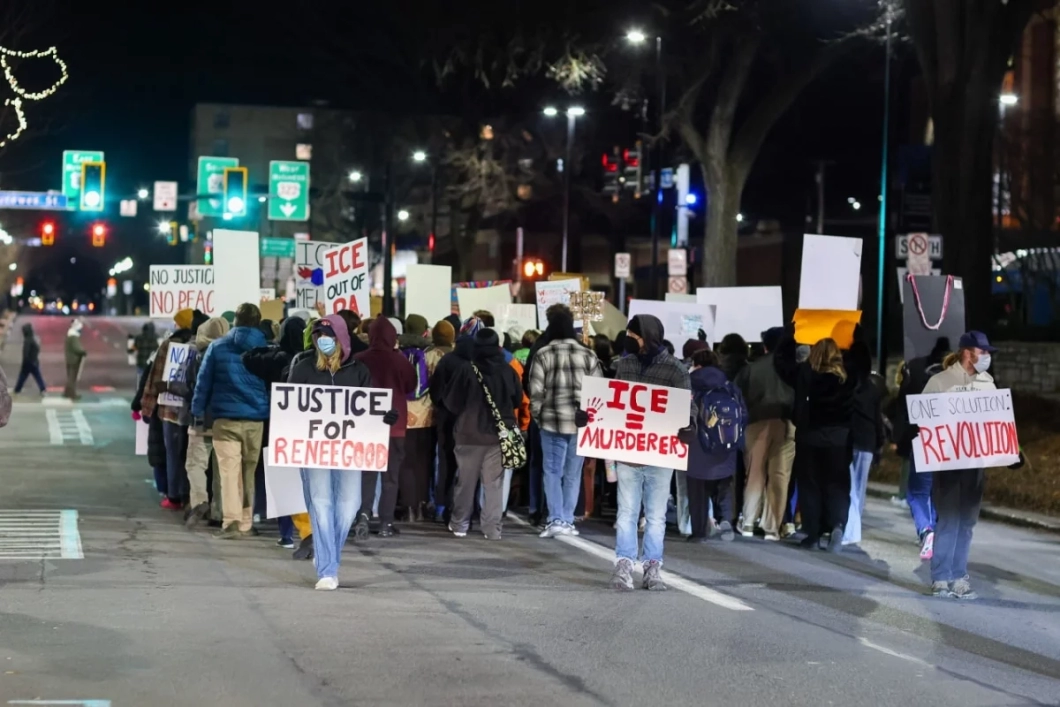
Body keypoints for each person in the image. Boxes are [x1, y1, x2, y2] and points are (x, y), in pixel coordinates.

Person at [289, 315, 398, 590]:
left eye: (328, 336)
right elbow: (289, 406)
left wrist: (385, 416)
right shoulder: (303, 368)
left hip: (349, 450)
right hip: (313, 449)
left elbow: (369, 406)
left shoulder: (358, 371)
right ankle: (328, 568)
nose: (322, 341)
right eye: (318, 337)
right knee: (321, 503)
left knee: (349, 504)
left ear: (341, 339)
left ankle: (328, 555)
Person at [598, 314, 694, 592]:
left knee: (655, 515)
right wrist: (591, 416)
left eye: (634, 335)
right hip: (628, 454)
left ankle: (652, 567)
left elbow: (689, 405)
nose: (629, 339)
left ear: (648, 337)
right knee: (626, 513)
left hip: (660, 455)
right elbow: (613, 402)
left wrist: (690, 424)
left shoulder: (676, 370)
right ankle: (624, 564)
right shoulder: (624, 364)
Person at [924, 331, 1023, 600]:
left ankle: (958, 576)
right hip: (947, 463)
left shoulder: (987, 385)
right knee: (949, 520)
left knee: (966, 522)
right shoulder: (940, 382)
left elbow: (997, 423)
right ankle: (940, 577)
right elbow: (922, 424)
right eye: (984, 352)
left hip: (975, 464)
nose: (987, 357)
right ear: (968, 352)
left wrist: (1012, 450)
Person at [191, 303, 270, 539]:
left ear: (235, 321)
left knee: (228, 471)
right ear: (258, 321)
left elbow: (203, 383)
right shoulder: (266, 349)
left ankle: (231, 521)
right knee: (249, 472)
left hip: (224, 420)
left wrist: (197, 412)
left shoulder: (217, 347)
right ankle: (247, 522)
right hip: (256, 420)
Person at [775, 334, 856, 553]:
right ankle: (838, 525)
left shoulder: (805, 374)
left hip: (810, 436)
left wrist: (790, 334)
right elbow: (863, 363)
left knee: (810, 486)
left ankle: (813, 535)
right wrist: (856, 337)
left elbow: (781, 364)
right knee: (838, 486)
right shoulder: (847, 377)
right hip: (839, 439)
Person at [443, 328, 523, 540]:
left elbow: (451, 403)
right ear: (498, 347)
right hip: (498, 436)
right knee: (493, 484)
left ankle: (460, 524)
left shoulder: (466, 369)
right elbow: (516, 400)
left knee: (465, 482)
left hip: (468, 435)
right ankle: (492, 529)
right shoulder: (508, 371)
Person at [530, 306, 602, 539]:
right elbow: (599, 392)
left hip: (551, 421)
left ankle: (555, 519)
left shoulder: (543, 353)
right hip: (581, 424)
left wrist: (538, 417)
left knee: (552, 472)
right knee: (573, 473)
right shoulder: (588, 354)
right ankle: (568, 520)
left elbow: (536, 392)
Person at [242, 316, 313, 549]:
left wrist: (272, 344)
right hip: (309, 427)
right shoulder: (312, 359)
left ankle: (285, 534)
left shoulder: (277, 357)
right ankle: (308, 530)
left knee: (282, 478)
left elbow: (248, 358)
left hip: (278, 424)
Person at [353, 316, 416, 538]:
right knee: (391, 476)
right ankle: (386, 523)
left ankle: (363, 514)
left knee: (367, 473)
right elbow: (411, 385)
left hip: (366, 426)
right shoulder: (400, 361)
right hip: (395, 426)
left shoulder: (359, 359)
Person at [734, 326, 796, 540]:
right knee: (779, 475)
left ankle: (749, 521)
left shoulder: (752, 369)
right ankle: (771, 527)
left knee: (754, 474)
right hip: (787, 422)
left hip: (756, 422)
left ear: (766, 345)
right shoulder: (793, 367)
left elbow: (737, 395)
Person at [892, 337, 951, 560]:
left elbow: (903, 406)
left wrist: (900, 438)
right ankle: (937, 533)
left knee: (917, 493)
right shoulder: (960, 374)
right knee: (939, 492)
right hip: (951, 444)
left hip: (924, 440)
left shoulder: (915, 369)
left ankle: (926, 530)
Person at [685, 348, 746, 542]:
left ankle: (699, 531)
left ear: (698, 365)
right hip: (726, 445)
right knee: (725, 485)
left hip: (697, 446)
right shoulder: (729, 385)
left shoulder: (689, 385)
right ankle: (726, 520)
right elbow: (743, 414)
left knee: (697, 491)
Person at [140, 311, 197, 510]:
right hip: (192, 408)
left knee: (172, 454)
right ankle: (189, 494)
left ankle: (174, 496)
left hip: (170, 409)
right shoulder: (200, 344)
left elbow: (154, 378)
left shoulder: (168, 345)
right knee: (190, 455)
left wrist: (146, 407)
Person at [179, 317, 230, 527]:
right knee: (221, 468)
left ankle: (199, 500)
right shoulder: (234, 355)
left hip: (202, 419)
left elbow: (191, 387)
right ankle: (219, 512)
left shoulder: (200, 357)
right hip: (226, 419)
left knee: (195, 463)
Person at [399, 314, 444, 522]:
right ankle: (420, 506)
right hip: (427, 418)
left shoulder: (397, 352)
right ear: (425, 330)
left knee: (405, 463)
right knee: (423, 463)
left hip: (401, 417)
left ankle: (407, 507)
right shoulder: (434, 354)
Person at [843, 342, 884, 546]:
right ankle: (854, 528)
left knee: (848, 486)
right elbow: (877, 419)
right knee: (860, 487)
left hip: (849, 439)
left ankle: (850, 528)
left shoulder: (845, 385)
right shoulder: (873, 389)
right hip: (867, 441)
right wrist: (879, 443)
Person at [14, 322, 46, 396]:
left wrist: (25, 361)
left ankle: (17, 390)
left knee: (23, 376)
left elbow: (26, 353)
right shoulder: (33, 339)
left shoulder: (27, 341)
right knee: (37, 376)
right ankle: (43, 389)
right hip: (34, 361)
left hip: (28, 362)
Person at [63, 319, 86, 400]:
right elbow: (77, 348)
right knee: (72, 378)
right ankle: (72, 394)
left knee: (70, 377)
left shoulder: (70, 335)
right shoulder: (74, 337)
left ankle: (67, 393)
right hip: (74, 359)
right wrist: (83, 352)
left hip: (69, 358)